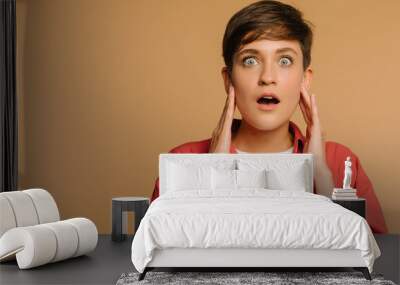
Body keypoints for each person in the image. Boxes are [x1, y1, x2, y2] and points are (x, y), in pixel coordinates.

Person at [150, 0, 388, 234]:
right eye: (250, 60)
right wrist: (216, 167)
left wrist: (321, 176)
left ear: (305, 79)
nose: (267, 77)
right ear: (228, 79)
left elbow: (372, 255)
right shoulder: (182, 160)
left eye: (284, 60)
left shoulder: (341, 161)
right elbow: (163, 249)